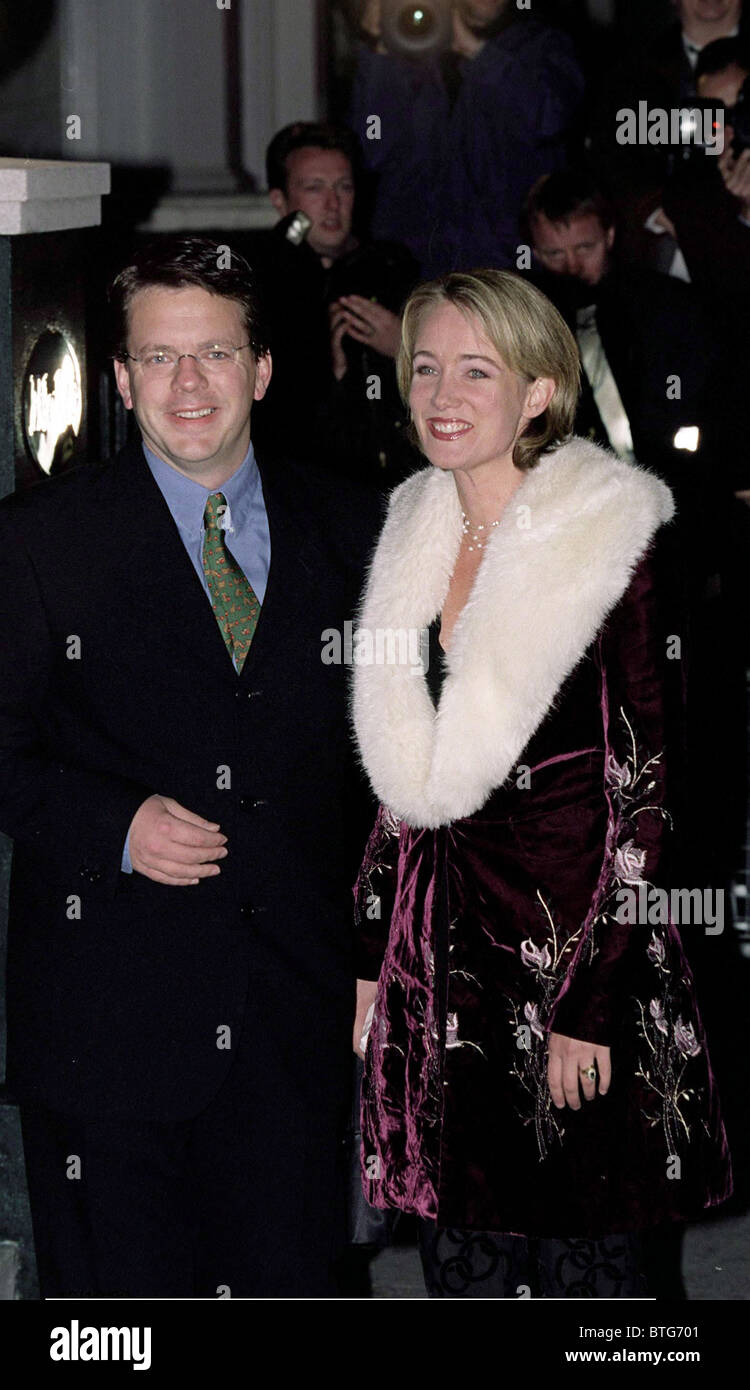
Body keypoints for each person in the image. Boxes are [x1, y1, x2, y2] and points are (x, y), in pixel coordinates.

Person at [0, 236, 377, 1298]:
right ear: (120, 379)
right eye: (160, 359)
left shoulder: (356, 529)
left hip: (292, 1011)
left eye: (214, 353)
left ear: (261, 368)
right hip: (107, 1025)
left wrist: (369, 952)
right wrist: (113, 825)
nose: (190, 384)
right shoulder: (39, 542)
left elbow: (385, 768)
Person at [350, 268, 732, 1298]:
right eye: (426, 365)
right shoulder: (412, 523)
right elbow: (400, 780)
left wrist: (593, 1003)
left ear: (537, 391)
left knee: (589, 1271)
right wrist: (368, 959)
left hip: (574, 955)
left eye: (478, 369)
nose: (443, 393)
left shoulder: (608, 534)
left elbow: (650, 791)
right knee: (463, 1257)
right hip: (442, 968)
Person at [348, 0, 584, 275]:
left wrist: (476, 51)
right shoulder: (408, 44)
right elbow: (371, 147)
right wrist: (381, 48)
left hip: (506, 269)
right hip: (415, 267)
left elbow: (548, 118)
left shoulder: (543, 45)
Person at [250, 121, 419, 487]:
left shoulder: (391, 268)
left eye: (344, 187)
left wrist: (404, 346)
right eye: (314, 188)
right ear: (280, 200)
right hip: (299, 481)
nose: (332, 204)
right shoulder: (263, 281)